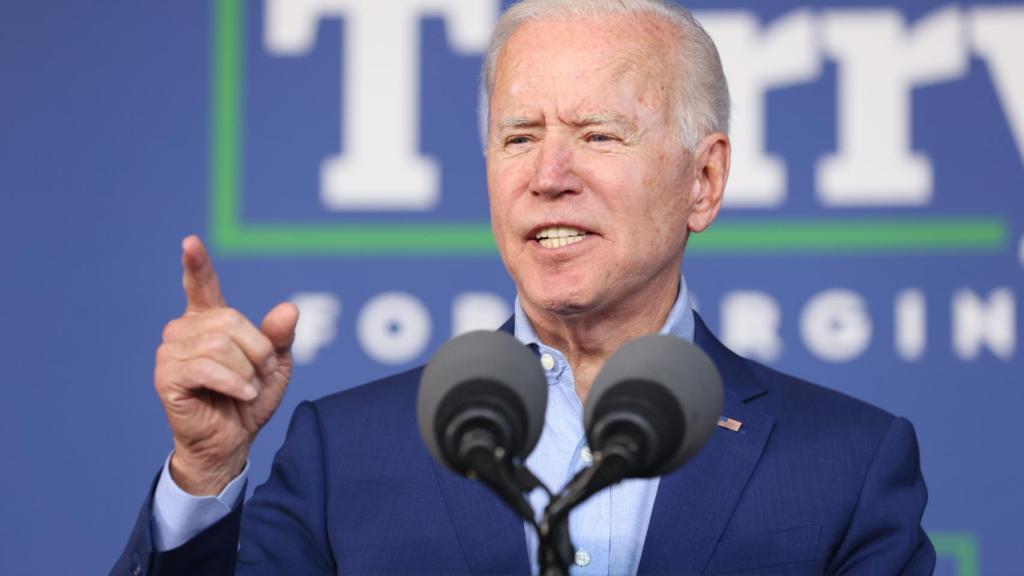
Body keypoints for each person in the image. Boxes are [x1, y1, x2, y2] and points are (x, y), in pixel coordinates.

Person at [114, 1, 935, 574]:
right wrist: (205, 471)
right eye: (519, 136)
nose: (549, 175)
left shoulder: (844, 462)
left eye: (598, 134)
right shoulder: (344, 453)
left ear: (704, 180)